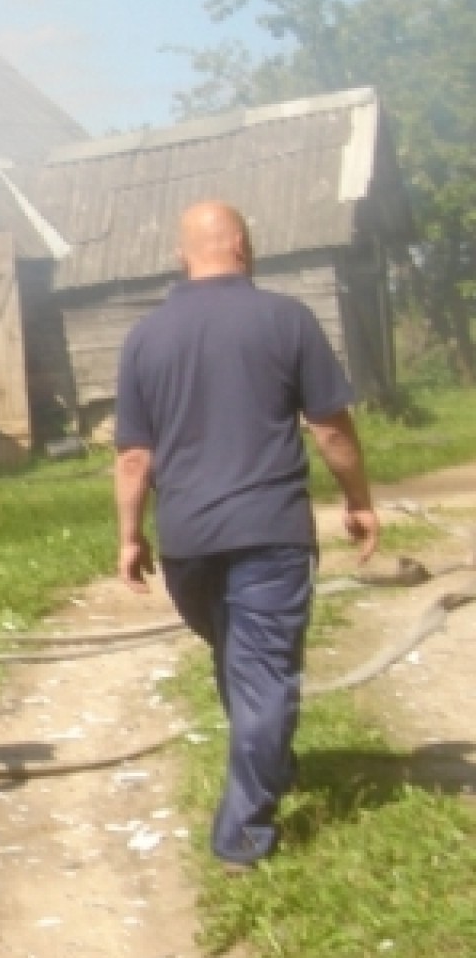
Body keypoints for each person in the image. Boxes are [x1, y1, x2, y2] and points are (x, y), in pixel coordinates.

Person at [116, 202, 379, 870]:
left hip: (186, 542)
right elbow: (330, 427)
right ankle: (242, 835)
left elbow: (133, 457)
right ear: (242, 245)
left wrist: (129, 536)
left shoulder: (145, 337)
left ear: (185, 255)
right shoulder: (286, 320)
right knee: (260, 670)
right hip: (269, 530)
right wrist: (359, 502)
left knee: (240, 656)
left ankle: (272, 763)